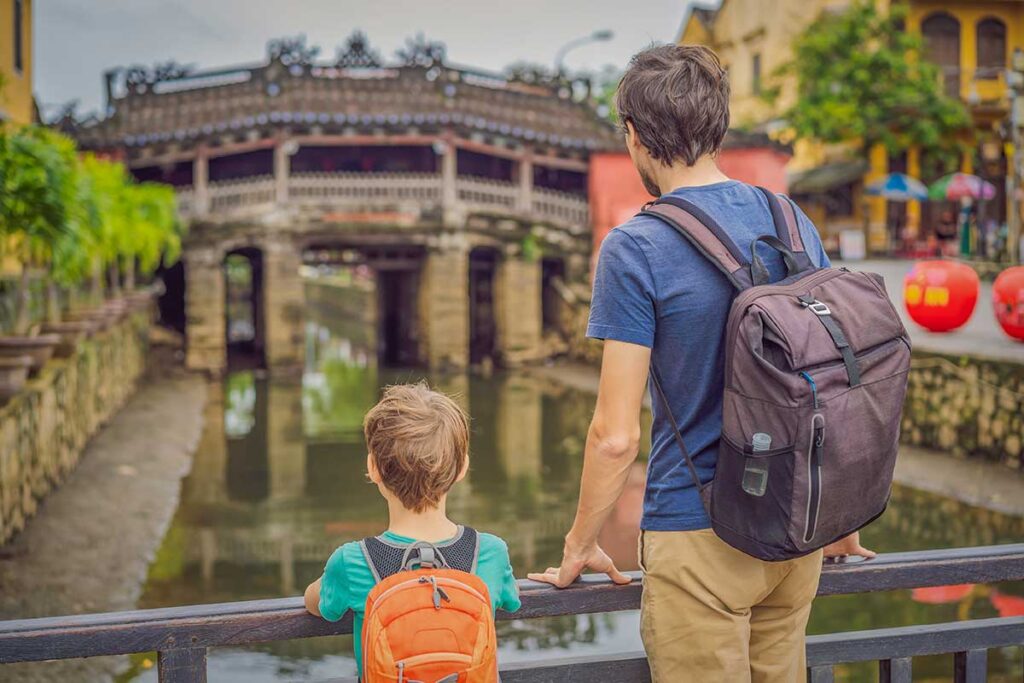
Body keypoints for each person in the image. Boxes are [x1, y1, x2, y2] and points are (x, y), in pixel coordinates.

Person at [528, 44, 875, 682]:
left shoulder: (635, 246)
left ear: (633, 135)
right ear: (716, 125)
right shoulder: (790, 219)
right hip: (797, 526)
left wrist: (581, 541)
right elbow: (833, 384)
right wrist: (840, 516)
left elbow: (615, 437)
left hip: (698, 533)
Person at [304, 382, 521, 679]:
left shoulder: (352, 561)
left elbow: (316, 604)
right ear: (462, 469)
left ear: (373, 468)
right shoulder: (491, 553)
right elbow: (510, 598)